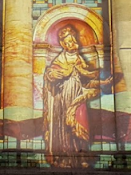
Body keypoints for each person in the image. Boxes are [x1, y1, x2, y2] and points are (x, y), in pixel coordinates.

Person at [43, 25, 110, 167]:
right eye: (68, 42)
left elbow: (87, 79)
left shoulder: (79, 59)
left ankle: (80, 156)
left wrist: (102, 81)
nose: (72, 44)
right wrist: (53, 75)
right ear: (62, 44)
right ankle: (65, 157)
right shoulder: (59, 59)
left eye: (73, 41)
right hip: (63, 98)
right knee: (65, 126)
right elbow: (50, 76)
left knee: (80, 123)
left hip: (78, 96)